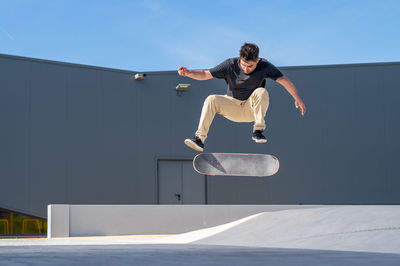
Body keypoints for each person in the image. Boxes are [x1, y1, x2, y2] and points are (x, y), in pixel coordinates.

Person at [178, 42, 306, 152]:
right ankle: (199, 139)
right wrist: (189, 73)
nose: (246, 68)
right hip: (232, 106)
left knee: (261, 92)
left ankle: (258, 131)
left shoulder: (265, 66)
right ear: (240, 58)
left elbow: (284, 80)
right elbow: (206, 74)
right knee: (211, 99)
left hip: (251, 109)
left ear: (257, 60)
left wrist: (298, 98)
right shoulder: (230, 64)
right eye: (243, 64)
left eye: (250, 66)